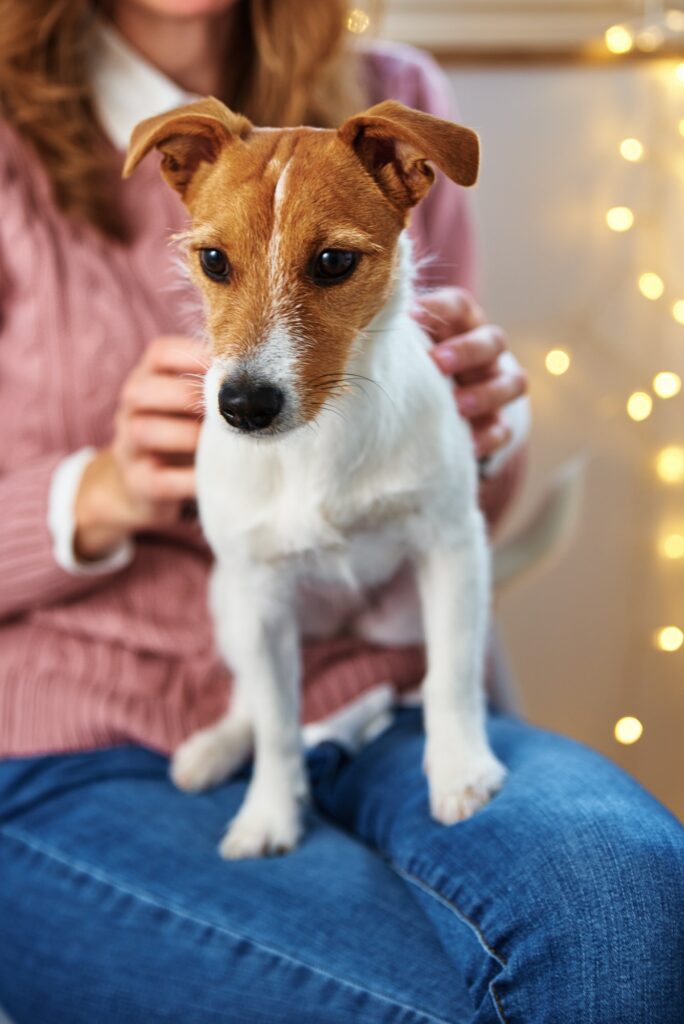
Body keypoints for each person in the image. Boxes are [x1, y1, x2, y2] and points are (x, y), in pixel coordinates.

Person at [0, 2, 681, 1022]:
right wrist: (85, 496)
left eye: (332, 267)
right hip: (75, 743)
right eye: (214, 263)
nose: (256, 349)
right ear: (178, 177)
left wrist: (488, 427)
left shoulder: (395, 106)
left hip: (386, 696)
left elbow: (458, 522)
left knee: (626, 911)